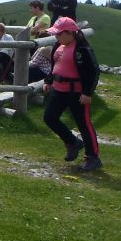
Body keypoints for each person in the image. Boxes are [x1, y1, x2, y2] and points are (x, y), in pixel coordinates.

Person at [42, 17, 101, 171]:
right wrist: (48, 81)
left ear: (70, 33)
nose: (56, 36)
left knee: (83, 124)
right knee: (49, 118)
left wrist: (87, 93)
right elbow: (55, 65)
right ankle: (73, 142)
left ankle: (93, 157)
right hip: (59, 90)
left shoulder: (82, 49)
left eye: (59, 34)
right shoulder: (58, 46)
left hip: (77, 92)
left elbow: (93, 71)